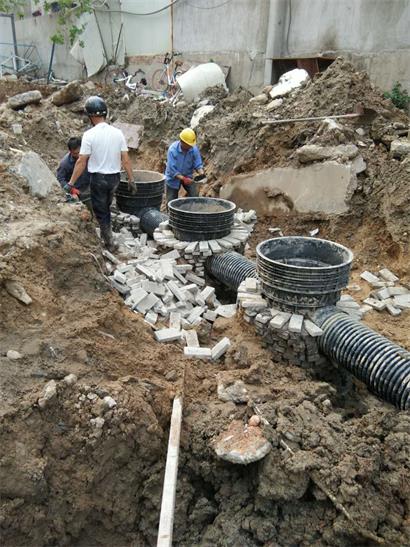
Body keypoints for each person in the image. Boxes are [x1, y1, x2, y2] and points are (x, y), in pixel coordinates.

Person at [66, 96, 136, 251]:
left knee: (101, 211)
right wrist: (131, 179)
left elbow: (81, 161)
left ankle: (109, 242)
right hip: (114, 179)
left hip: (98, 179)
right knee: (107, 205)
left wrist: (70, 183)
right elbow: (125, 159)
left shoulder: (89, 135)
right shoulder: (118, 133)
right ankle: (108, 233)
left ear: (90, 116)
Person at [165, 128, 205, 204]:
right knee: (171, 201)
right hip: (173, 178)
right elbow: (171, 170)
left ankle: (191, 212)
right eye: (189, 145)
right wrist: (183, 179)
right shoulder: (172, 150)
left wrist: (201, 174)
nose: (191, 146)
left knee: (194, 196)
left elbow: (198, 164)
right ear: (182, 142)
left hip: (187, 175)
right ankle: (170, 214)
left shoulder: (193, 149)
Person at [56, 137, 92, 213]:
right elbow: (60, 179)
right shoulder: (65, 163)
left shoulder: (88, 156)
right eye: (75, 153)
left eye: (80, 152)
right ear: (70, 151)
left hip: (89, 187)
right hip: (75, 190)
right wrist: (71, 189)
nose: (79, 155)